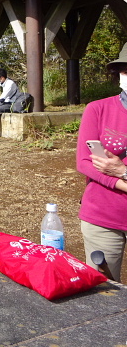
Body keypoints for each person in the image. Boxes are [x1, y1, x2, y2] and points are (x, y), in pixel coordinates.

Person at [76, 43, 127, 282]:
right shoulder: (97, 108)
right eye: (125, 70)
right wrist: (121, 182)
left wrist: (122, 171)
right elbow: (85, 163)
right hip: (103, 216)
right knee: (105, 293)